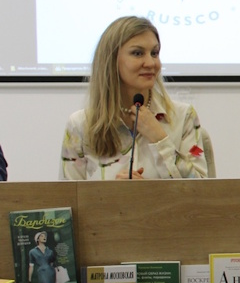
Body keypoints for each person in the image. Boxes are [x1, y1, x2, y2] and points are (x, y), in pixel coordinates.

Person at [60, 16, 210, 180]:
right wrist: (111, 192)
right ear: (111, 61)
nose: (150, 63)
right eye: (137, 53)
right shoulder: (80, 125)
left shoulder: (183, 116)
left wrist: (160, 139)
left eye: (154, 53)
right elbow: (69, 195)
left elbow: (202, 189)